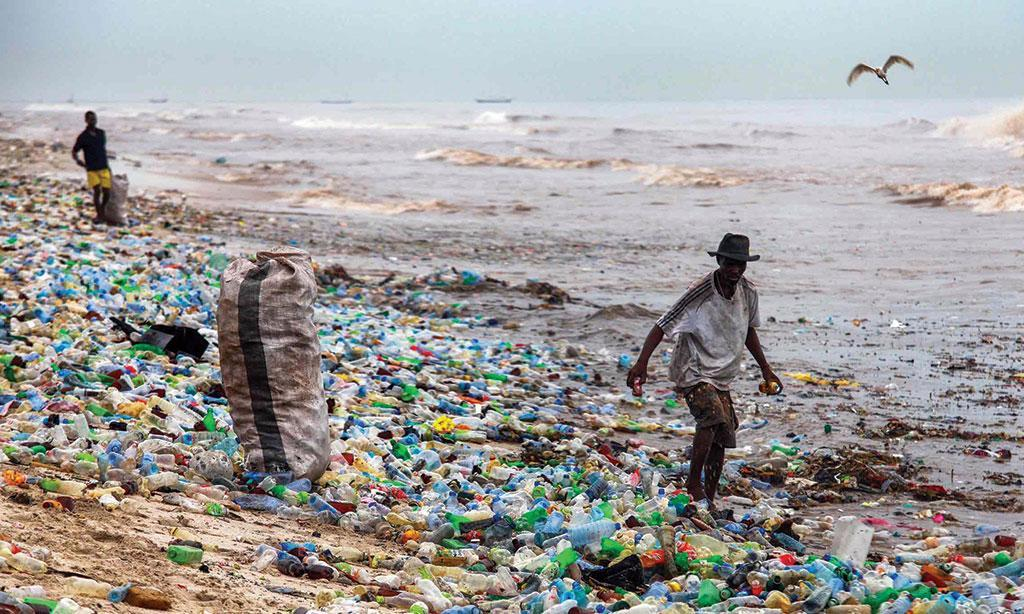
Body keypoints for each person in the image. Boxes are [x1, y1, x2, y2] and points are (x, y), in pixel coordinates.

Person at [626, 233, 782, 510]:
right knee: (711, 417)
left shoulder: (748, 292)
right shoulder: (702, 290)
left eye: (740, 264)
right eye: (730, 263)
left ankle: (708, 496)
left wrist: (766, 370)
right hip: (693, 367)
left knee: (724, 433)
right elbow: (663, 325)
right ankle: (693, 483)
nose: (735, 269)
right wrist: (642, 364)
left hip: (722, 373)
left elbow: (749, 332)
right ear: (719, 260)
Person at [72, 110, 111, 222]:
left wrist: (108, 166)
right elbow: (74, 151)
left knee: (107, 192)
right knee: (97, 191)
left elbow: (103, 149)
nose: (93, 121)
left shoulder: (101, 133)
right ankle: (99, 215)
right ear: (86, 121)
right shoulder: (83, 137)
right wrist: (78, 161)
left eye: (94, 118)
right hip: (91, 168)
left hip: (103, 166)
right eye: (91, 119)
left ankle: (102, 210)